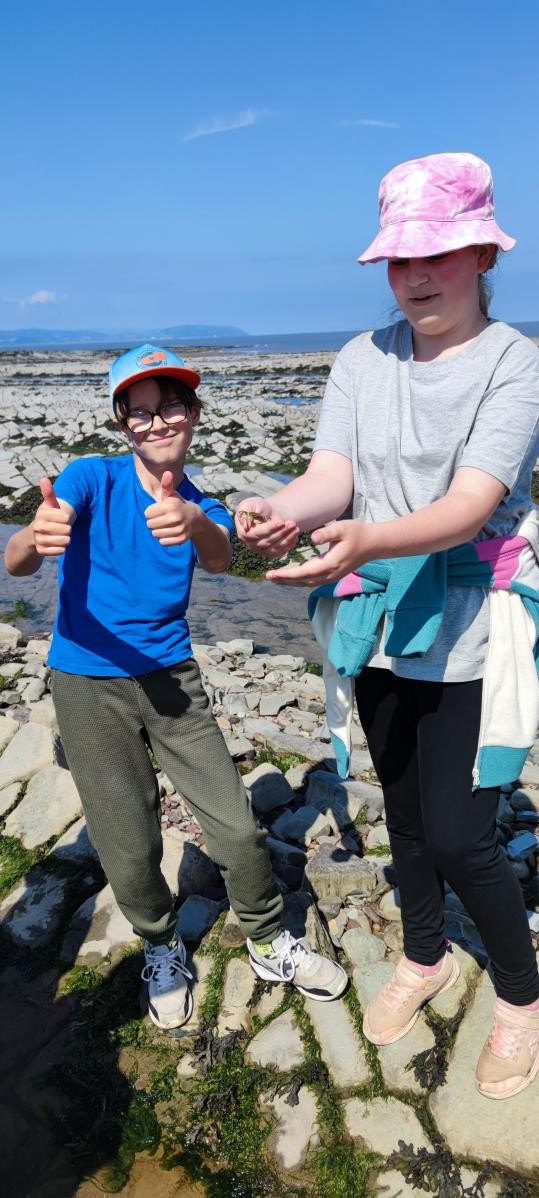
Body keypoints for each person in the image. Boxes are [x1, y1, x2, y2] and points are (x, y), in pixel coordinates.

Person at [235, 153, 539, 1100]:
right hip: (372, 615)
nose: (414, 275)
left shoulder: (515, 363)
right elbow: (332, 474)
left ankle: (521, 997)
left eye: (437, 253)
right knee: (402, 813)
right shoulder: (360, 359)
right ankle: (423, 954)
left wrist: (364, 537)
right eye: (400, 258)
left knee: (463, 836)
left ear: (483, 253)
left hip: (467, 623)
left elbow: (471, 503)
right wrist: (282, 507)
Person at [4, 343, 347, 1030]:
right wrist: (35, 537)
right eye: (139, 412)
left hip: (173, 679)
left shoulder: (202, 504)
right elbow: (18, 563)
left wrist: (191, 522)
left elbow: (219, 557)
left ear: (193, 413)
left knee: (236, 825)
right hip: (85, 680)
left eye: (169, 407)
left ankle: (266, 938)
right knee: (127, 838)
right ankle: (160, 944)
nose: (156, 422)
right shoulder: (91, 477)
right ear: (121, 423)